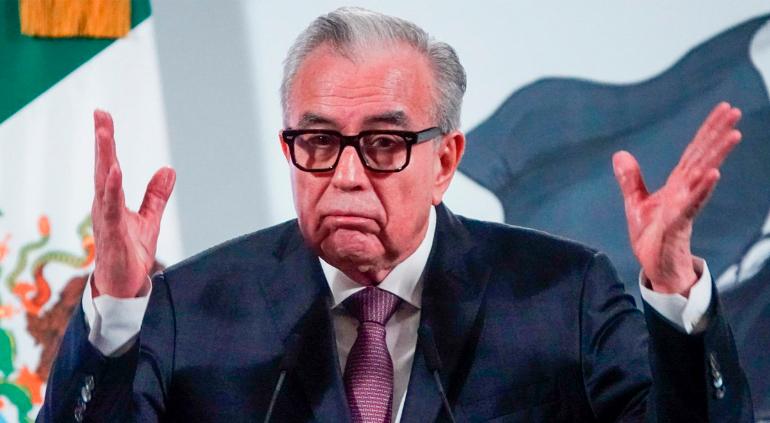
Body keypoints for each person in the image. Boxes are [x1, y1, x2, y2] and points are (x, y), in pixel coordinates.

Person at [39, 7, 752, 423]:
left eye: (384, 144)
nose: (347, 176)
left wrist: (674, 292)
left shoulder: (562, 295)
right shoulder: (192, 309)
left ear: (444, 161)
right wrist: (118, 311)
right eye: (318, 142)